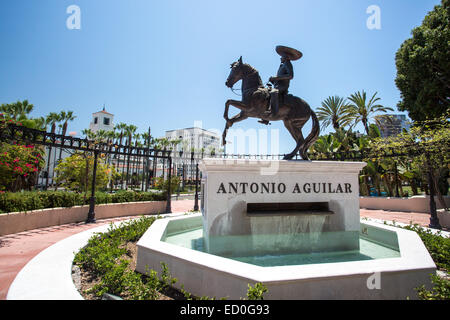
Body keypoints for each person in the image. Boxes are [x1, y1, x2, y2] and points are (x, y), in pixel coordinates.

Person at [259, 46, 302, 125]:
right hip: (277, 85)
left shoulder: (287, 64)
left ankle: (273, 112)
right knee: (265, 93)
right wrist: (273, 80)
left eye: (282, 56)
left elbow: (290, 76)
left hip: (283, 87)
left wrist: (277, 78)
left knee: (273, 92)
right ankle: (265, 118)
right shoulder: (282, 65)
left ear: (286, 57)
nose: (280, 58)